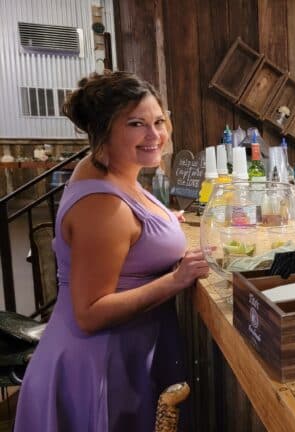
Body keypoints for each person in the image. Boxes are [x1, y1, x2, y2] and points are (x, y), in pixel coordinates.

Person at [14, 71, 210, 432]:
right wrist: (176, 280)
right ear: (104, 130)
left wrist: (164, 219)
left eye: (158, 121)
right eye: (136, 124)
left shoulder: (112, 171)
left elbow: (130, 232)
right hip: (97, 366)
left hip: (124, 355)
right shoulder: (102, 204)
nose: (155, 136)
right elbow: (90, 312)